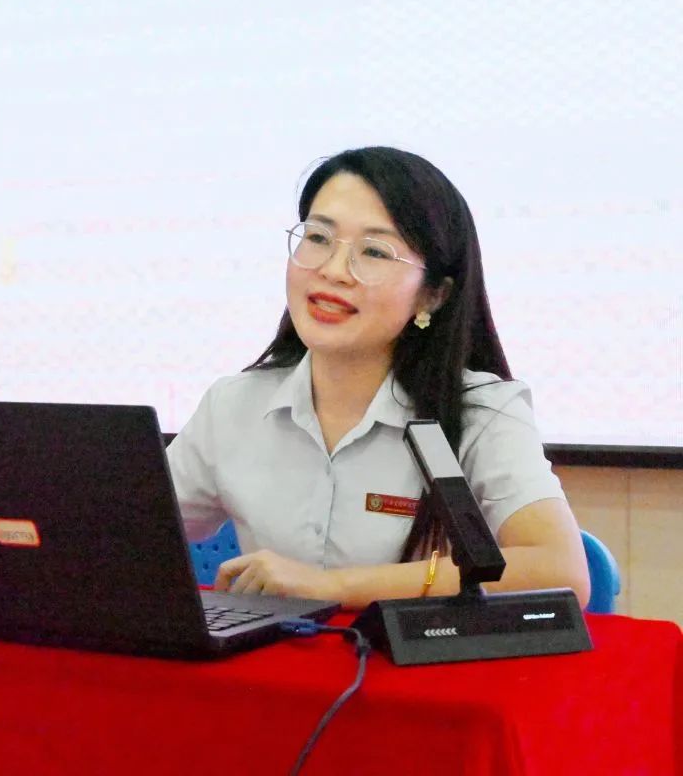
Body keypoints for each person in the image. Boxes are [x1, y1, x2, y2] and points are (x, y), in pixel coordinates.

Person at [166, 146, 590, 609]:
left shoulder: (482, 412)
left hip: (416, 655)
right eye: (318, 237)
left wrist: (332, 588)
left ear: (432, 296)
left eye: (373, 251)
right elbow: (125, 531)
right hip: (278, 654)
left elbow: (560, 571)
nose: (332, 271)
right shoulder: (234, 404)